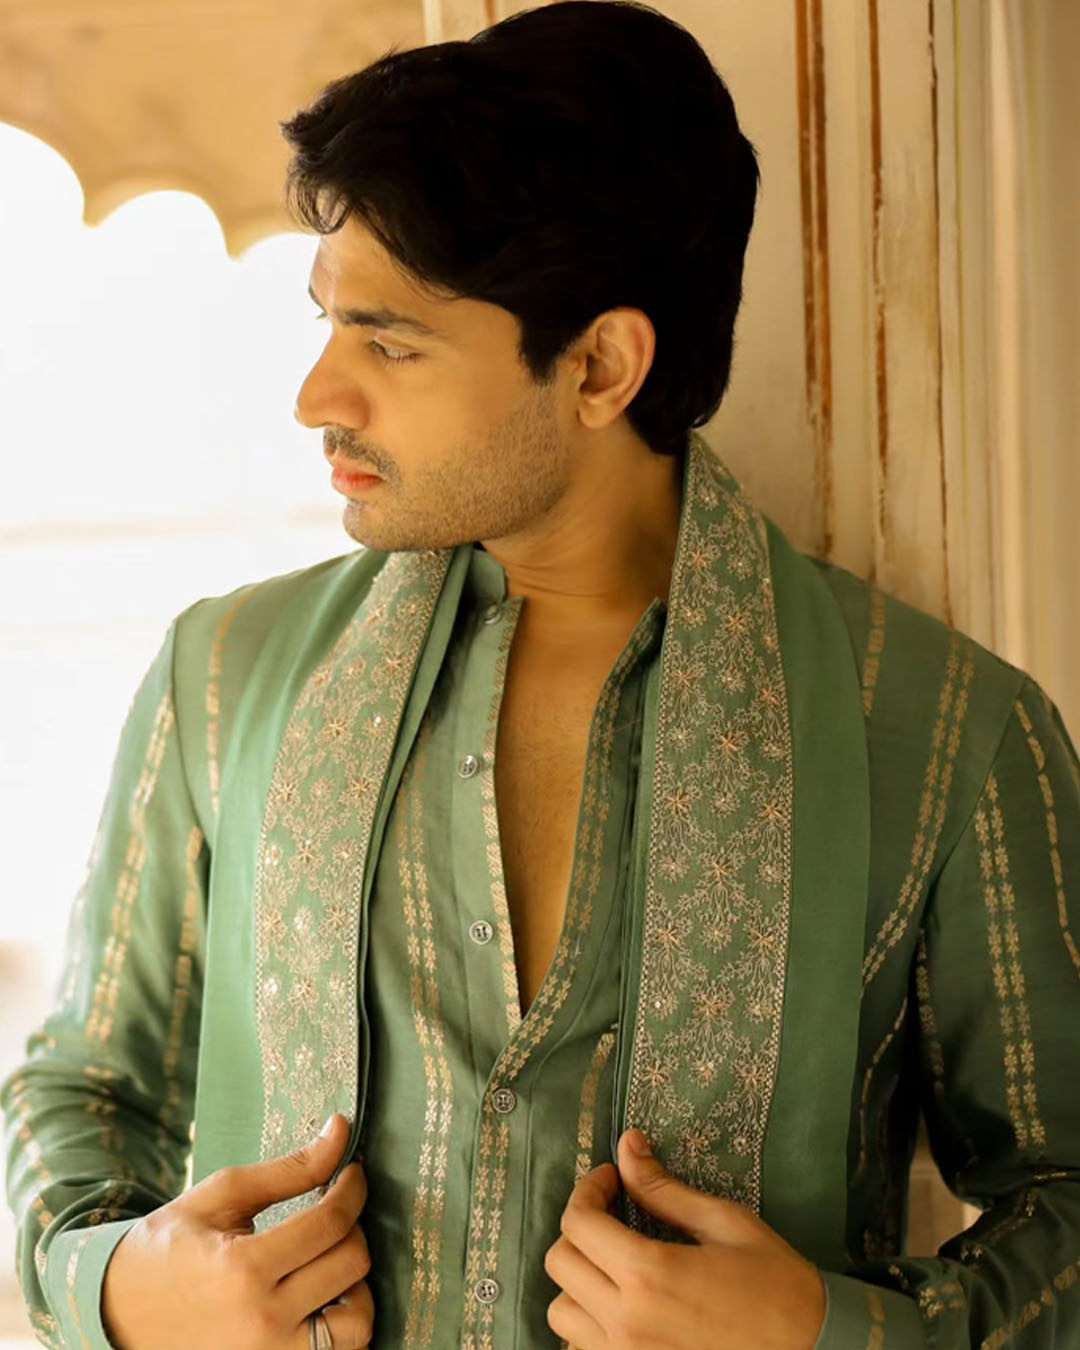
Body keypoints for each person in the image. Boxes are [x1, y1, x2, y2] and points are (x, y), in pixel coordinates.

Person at [4, 1, 1080, 1347]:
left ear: (601, 365)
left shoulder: (943, 732)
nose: (318, 396)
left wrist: (828, 1331)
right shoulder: (225, 678)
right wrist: (121, 1286)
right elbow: (79, 1092)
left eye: (391, 343)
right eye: (328, 322)